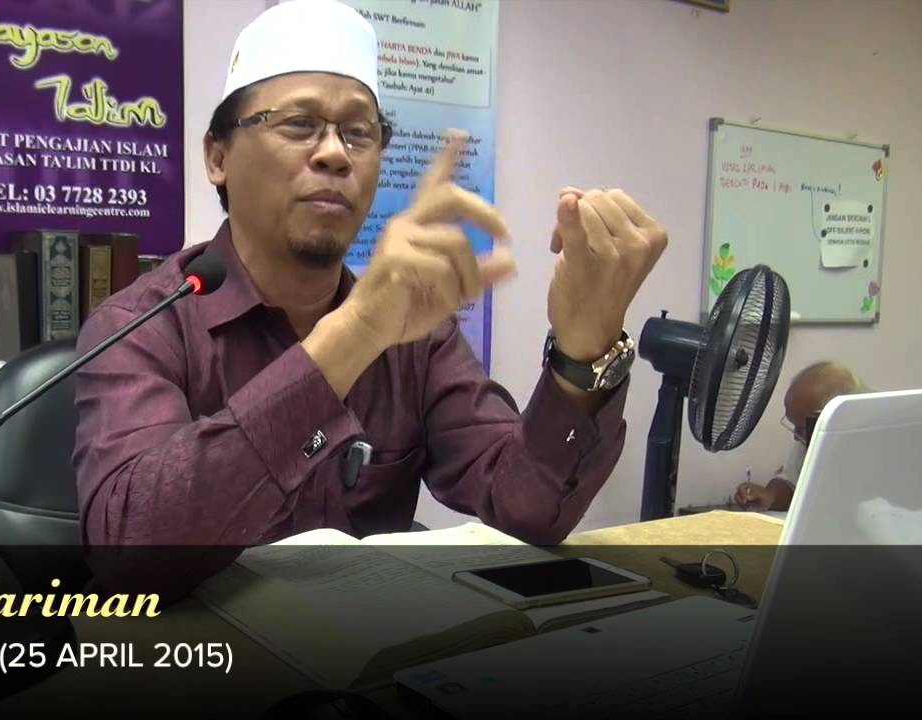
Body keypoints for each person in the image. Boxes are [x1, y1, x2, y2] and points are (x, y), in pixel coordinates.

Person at [71, 0, 667, 573]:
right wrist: (354, 334)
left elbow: (526, 507)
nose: (335, 154)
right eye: (299, 124)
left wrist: (581, 355)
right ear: (217, 157)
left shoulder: (416, 337)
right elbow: (132, 553)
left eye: (359, 132)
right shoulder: (141, 325)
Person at [734, 361, 867, 512]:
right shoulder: (808, 442)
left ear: (841, 417)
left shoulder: (876, 447)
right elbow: (791, 483)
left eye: (802, 428)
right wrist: (770, 495)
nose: (796, 438)